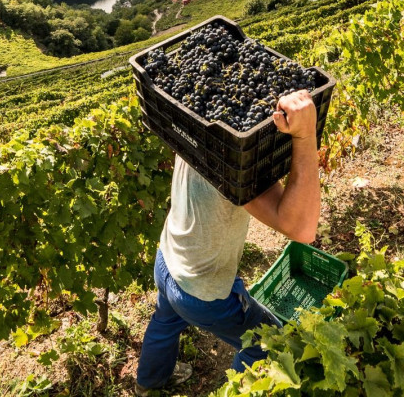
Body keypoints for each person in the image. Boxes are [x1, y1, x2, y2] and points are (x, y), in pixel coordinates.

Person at [135, 89, 321, 395]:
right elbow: (301, 229)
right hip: (200, 292)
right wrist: (304, 137)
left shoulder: (195, 122)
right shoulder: (235, 164)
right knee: (267, 343)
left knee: (165, 321)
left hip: (167, 258)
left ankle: (147, 384)